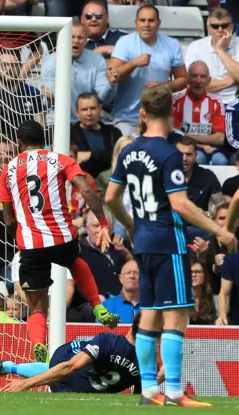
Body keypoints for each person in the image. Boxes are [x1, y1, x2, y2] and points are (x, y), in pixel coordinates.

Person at [105, 84, 235, 407]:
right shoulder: (168, 153)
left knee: (148, 314)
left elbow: (110, 197)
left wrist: (132, 225)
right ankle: (175, 391)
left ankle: (149, 391)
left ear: (143, 113)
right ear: (174, 113)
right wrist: (220, 231)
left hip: (144, 243)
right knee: (176, 317)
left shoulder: (128, 150)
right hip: (168, 242)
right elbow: (180, 204)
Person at [0, 120, 120, 364]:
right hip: (61, 235)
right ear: (43, 139)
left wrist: (20, 239)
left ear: (20, 143)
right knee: (75, 261)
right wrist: (103, 222)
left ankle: (38, 342)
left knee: (37, 307)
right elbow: (86, 191)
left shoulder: (9, 169)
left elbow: (9, 218)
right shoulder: (60, 160)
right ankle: (97, 305)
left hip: (31, 244)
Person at [0, 314, 166, 394]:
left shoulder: (107, 340)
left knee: (71, 373)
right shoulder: (149, 363)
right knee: (66, 371)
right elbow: (138, 396)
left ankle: (11, 367)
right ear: (157, 337)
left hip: (82, 379)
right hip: (69, 358)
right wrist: (26, 384)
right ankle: (12, 366)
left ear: (130, 327)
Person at [109, 5, 187, 135]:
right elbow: (113, 76)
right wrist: (134, 63)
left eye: (151, 20)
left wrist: (164, 86)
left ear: (159, 23)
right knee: (125, 152)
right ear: (136, 23)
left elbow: (183, 79)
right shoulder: (124, 43)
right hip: (127, 118)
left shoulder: (172, 44)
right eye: (142, 20)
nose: (146, 25)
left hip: (159, 117)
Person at [189, 259, 216, 325]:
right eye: (190, 272)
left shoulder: (214, 300)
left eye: (197, 272)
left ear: (205, 275)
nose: (193, 275)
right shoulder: (181, 301)